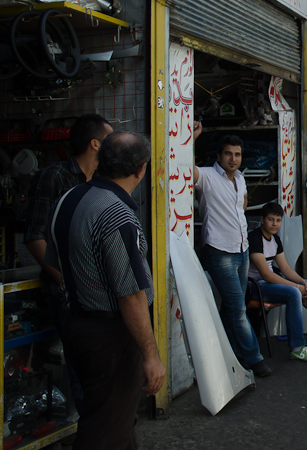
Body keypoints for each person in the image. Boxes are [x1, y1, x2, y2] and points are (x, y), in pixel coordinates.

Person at [45, 132, 165, 450]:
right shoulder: (117, 214)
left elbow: (54, 262)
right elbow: (131, 295)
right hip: (110, 334)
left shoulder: (66, 201)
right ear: (141, 169)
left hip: (77, 324)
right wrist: (151, 357)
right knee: (105, 428)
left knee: (114, 418)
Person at [25, 113, 113, 410]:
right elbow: (35, 236)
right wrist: (62, 278)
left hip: (96, 289)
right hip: (65, 290)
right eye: (109, 141)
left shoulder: (101, 184)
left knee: (98, 362)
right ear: (95, 144)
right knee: (80, 364)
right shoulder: (55, 176)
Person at [192, 122, 272, 377]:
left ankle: (231, 353)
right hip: (219, 250)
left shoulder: (239, 178)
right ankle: (254, 358)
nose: (233, 159)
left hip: (242, 250)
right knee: (238, 307)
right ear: (219, 156)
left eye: (237, 154)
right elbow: (186, 169)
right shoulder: (207, 176)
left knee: (231, 306)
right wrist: (192, 138)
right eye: (228, 154)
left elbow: (242, 205)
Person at [248, 202, 307, 363]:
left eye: (278, 220)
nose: (274, 224)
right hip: (256, 286)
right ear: (262, 220)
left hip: (271, 283)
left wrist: (302, 283)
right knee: (293, 293)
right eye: (271, 220)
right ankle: (297, 348)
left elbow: (285, 268)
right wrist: (296, 287)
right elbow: (266, 275)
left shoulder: (275, 240)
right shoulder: (254, 238)